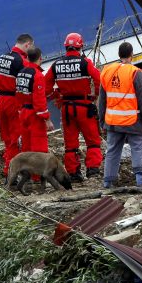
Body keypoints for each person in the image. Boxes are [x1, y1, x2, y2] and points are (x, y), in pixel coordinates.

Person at [45, 33, 103, 182]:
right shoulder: (85, 63)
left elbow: (46, 88)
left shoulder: (56, 65)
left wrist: (57, 95)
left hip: (67, 108)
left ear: (66, 46)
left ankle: (73, 172)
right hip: (84, 106)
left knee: (70, 143)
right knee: (93, 140)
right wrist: (95, 95)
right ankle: (93, 169)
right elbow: (98, 79)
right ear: (80, 46)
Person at [99, 42, 142, 188]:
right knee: (138, 148)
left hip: (113, 121)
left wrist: (102, 121)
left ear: (119, 55)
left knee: (112, 150)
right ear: (132, 55)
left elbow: (102, 100)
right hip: (133, 121)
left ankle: (107, 182)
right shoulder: (135, 72)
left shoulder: (107, 71)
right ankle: (140, 182)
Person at [0, 33, 34, 173]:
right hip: (13, 101)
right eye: (31, 47)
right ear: (27, 45)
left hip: (1, 100)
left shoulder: (2, 58)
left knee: (8, 138)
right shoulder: (21, 61)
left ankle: (7, 168)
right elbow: (28, 82)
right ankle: (14, 171)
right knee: (17, 137)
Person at [16, 46, 53, 154]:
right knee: (39, 149)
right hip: (34, 116)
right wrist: (47, 119)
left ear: (27, 58)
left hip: (23, 113)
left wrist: (20, 111)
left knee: (26, 147)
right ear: (40, 58)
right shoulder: (38, 75)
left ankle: (28, 170)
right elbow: (39, 101)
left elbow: (18, 95)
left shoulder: (21, 73)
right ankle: (37, 171)